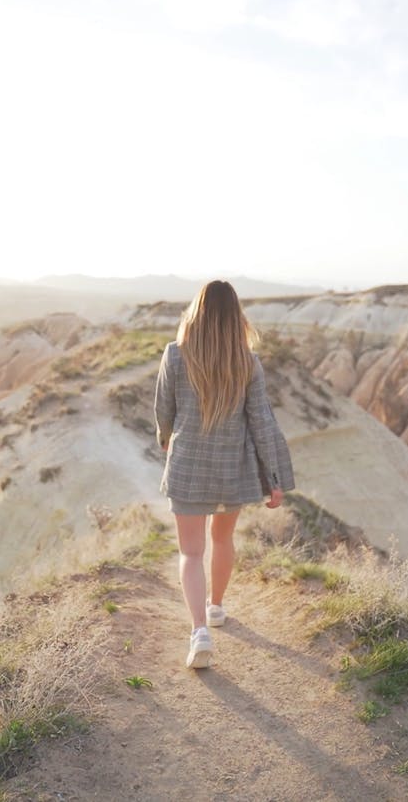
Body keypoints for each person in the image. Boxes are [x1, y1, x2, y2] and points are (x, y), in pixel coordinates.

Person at [154, 280, 295, 669]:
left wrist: (166, 439)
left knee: (190, 551)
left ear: (195, 313)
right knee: (223, 538)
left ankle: (200, 631)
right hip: (233, 468)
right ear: (236, 317)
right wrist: (275, 477)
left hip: (187, 466)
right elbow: (262, 422)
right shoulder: (247, 362)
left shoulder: (175, 355)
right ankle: (216, 606)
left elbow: (163, 410)